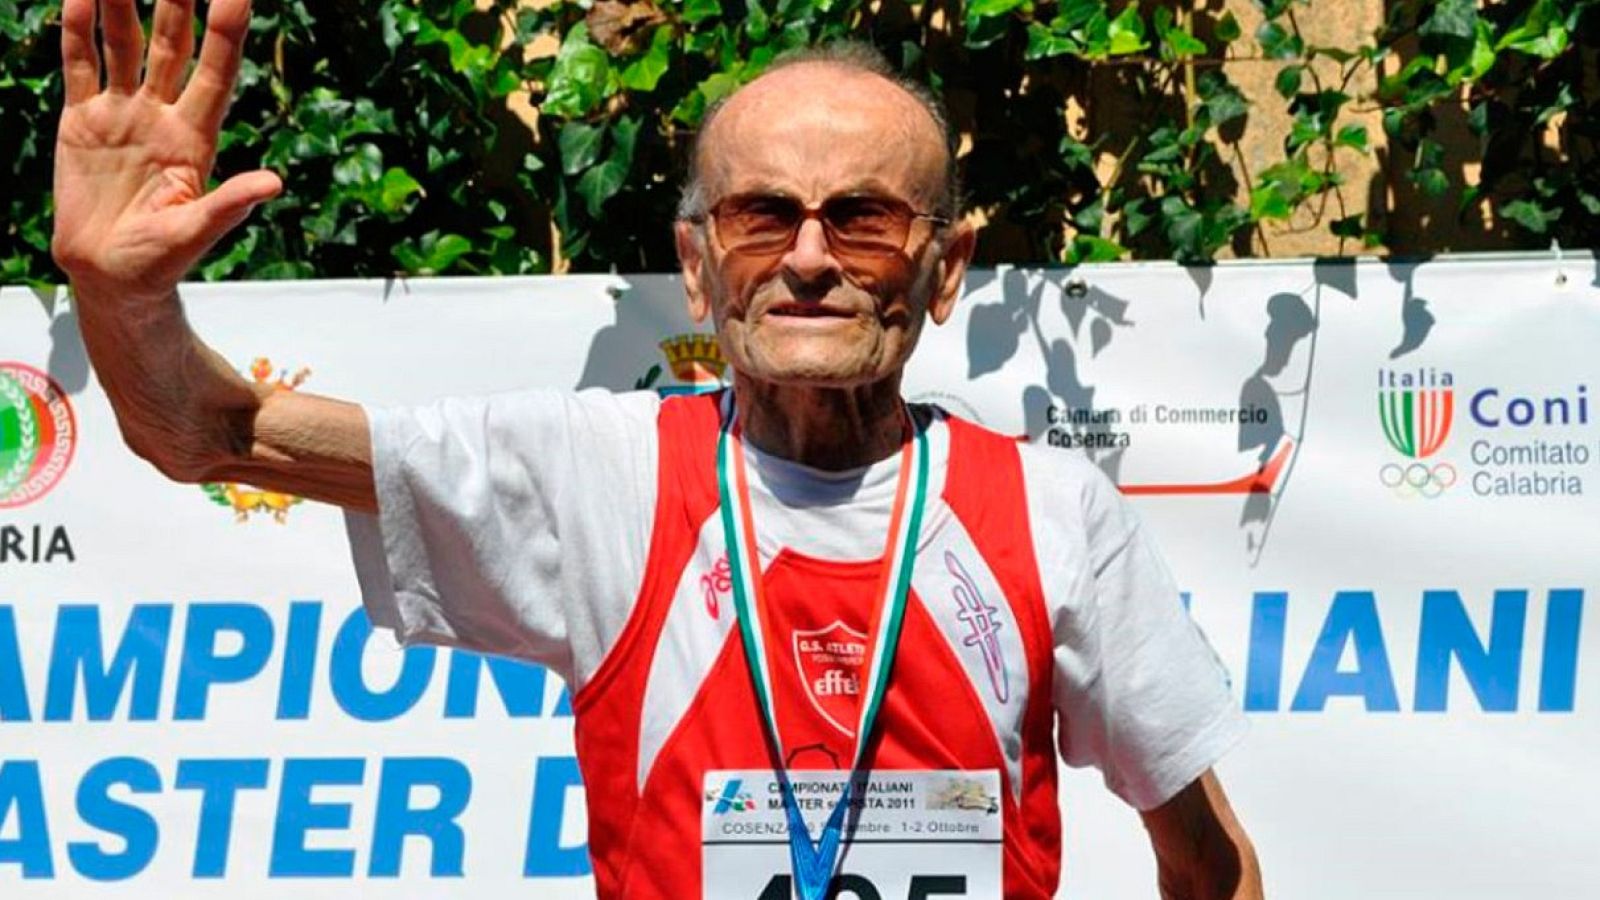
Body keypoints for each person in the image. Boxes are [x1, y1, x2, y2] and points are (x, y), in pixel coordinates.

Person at [51, 0, 1264, 897]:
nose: (804, 258)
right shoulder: (599, 478)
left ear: (944, 271)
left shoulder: (1052, 510)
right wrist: (121, 300)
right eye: (757, 215)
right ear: (695, 270)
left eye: (862, 216)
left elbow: (1205, 862)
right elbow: (207, 435)